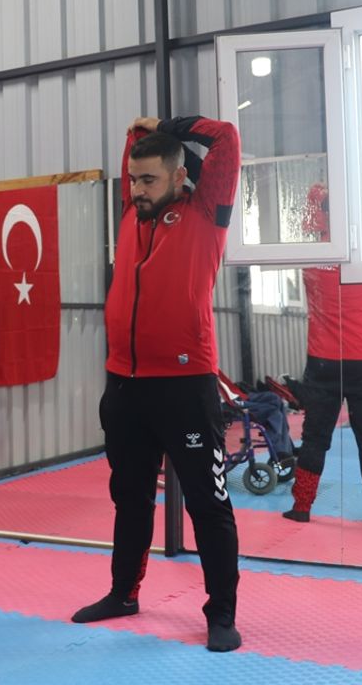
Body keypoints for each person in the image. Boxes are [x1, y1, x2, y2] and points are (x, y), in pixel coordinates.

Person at [70, 114, 242, 653]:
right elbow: (134, 149)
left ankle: (221, 614)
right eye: (133, 180)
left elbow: (226, 138)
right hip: (124, 383)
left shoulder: (207, 213)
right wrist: (139, 135)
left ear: (179, 177)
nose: (138, 189)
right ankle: (124, 593)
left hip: (185, 385)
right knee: (130, 497)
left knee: (207, 505)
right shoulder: (133, 213)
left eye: (149, 180)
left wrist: (168, 124)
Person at [282, 184, 362, 532]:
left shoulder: (310, 257)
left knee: (315, 437)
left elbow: (311, 207)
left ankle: (301, 507)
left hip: (323, 360)